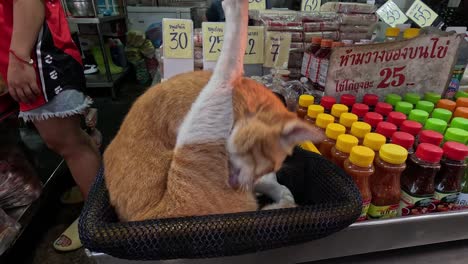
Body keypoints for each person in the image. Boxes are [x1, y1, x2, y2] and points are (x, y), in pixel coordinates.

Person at [0, 0, 101, 251]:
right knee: (71, 140)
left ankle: (98, 219)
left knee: (69, 144)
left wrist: (19, 57)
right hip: (31, 54)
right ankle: (95, 194)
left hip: (36, 57)